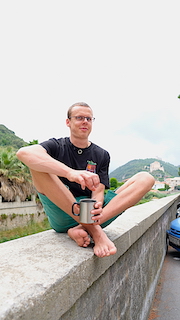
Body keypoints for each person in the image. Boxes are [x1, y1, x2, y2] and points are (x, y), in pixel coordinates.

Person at [16, 102, 155, 258]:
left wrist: (96, 205)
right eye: (80, 117)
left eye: (89, 119)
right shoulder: (56, 146)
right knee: (37, 165)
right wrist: (70, 173)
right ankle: (96, 232)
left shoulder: (102, 154)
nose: (85, 122)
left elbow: (99, 190)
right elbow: (24, 153)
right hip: (63, 210)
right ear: (68, 122)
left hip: (94, 215)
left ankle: (81, 227)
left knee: (146, 178)